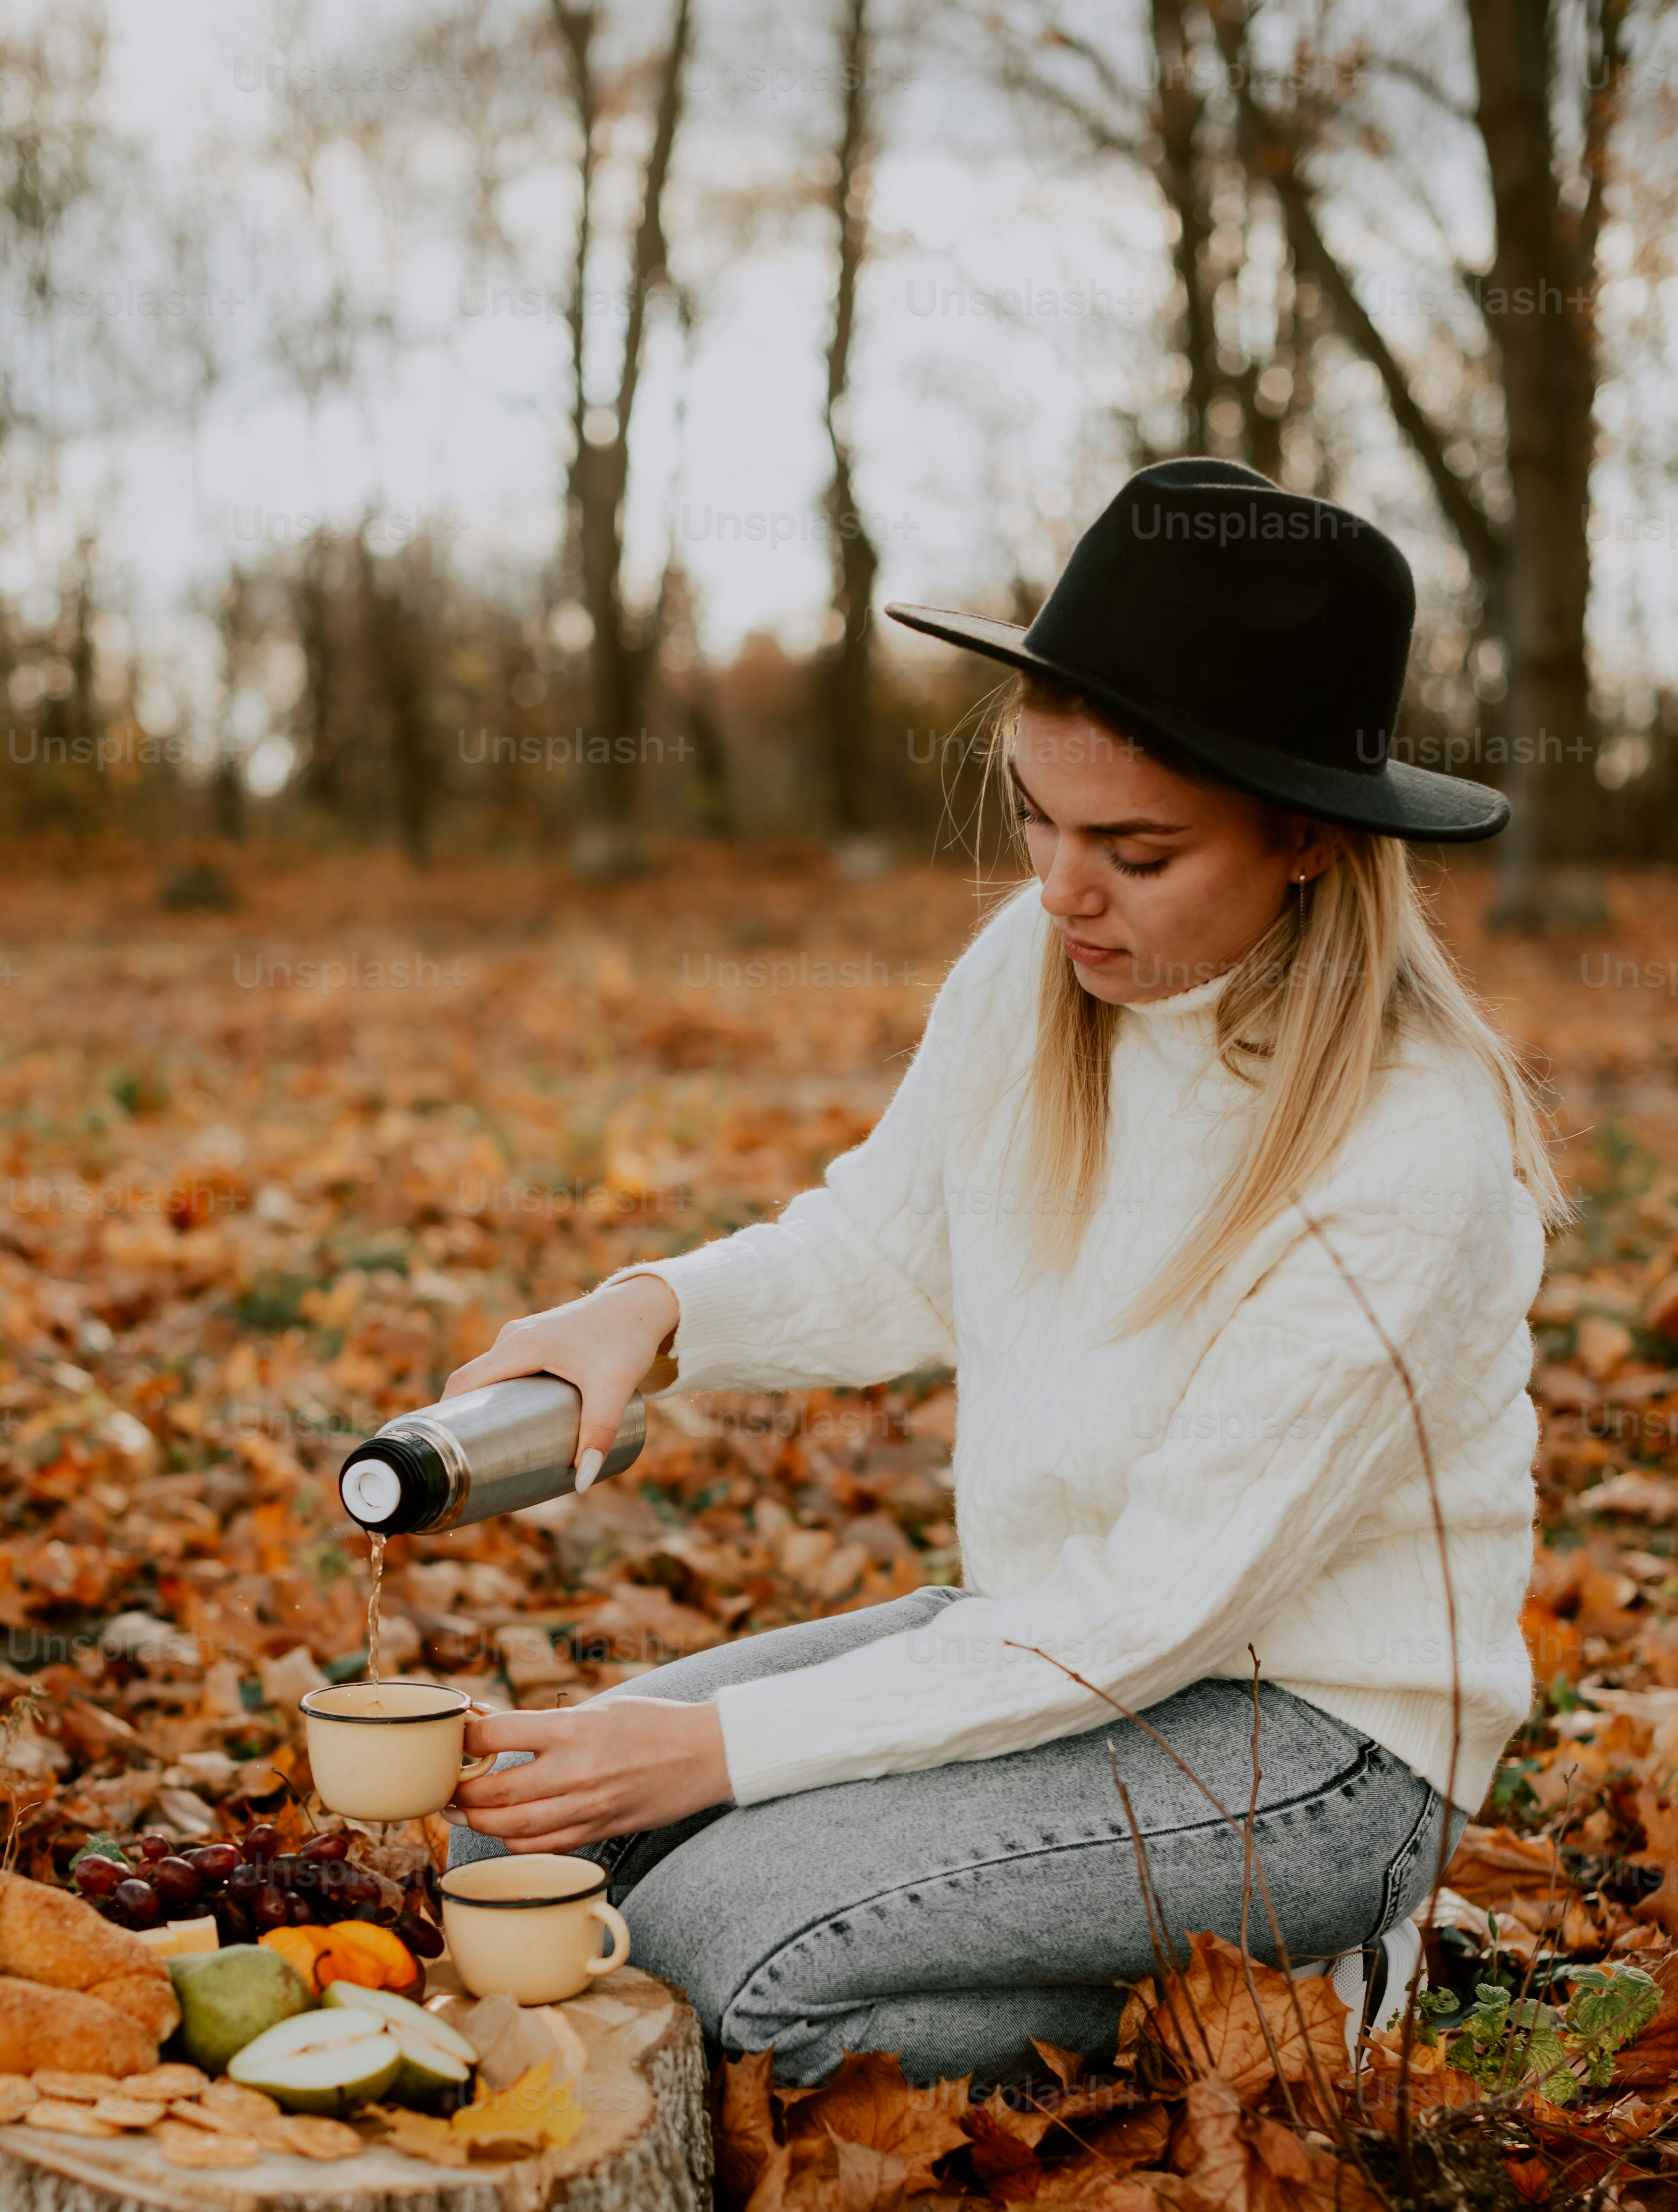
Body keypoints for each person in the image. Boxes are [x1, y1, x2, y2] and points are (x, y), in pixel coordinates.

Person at [441, 455, 1564, 2088]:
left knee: (724, 1958)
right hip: (1052, 1636)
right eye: (1038, 818)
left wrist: (710, 1754)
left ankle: (1309, 1995)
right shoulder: (1041, 967)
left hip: (1315, 1743)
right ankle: (1124, 1972)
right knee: (518, 1866)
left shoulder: (1409, 1157)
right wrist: (653, 1310)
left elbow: (1162, 1607)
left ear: (1310, 838)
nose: (1061, 889)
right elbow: (887, 1252)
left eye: (1137, 848)